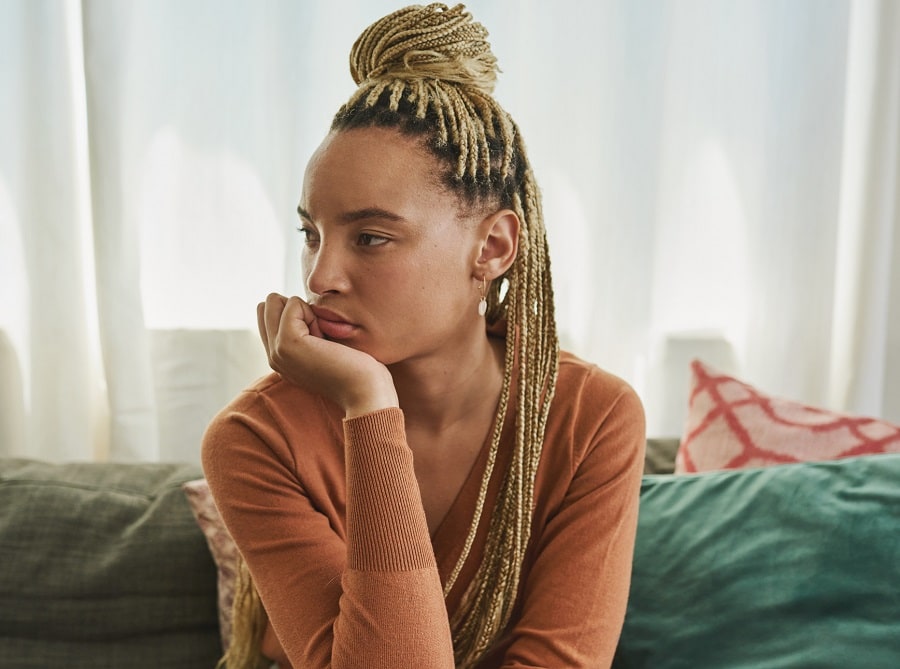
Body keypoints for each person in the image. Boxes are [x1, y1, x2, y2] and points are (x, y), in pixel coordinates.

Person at [201, 4, 646, 668]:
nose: (321, 274)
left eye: (370, 237)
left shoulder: (591, 419)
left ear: (492, 246)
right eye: (310, 234)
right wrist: (369, 403)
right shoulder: (256, 440)